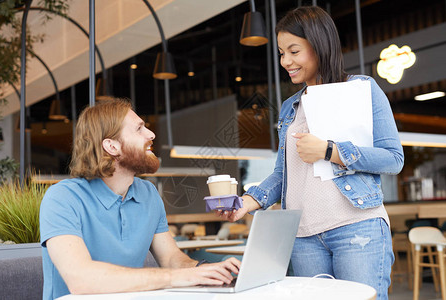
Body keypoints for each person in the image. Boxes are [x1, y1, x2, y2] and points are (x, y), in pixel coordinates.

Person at [218, 6, 403, 300]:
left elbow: (393, 158)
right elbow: (283, 173)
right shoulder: (291, 107)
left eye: (294, 51)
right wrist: (247, 202)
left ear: (319, 46)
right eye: (281, 53)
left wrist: (329, 150)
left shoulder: (361, 89)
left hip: (355, 228)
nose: (286, 61)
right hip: (303, 236)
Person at [40, 98, 241, 300]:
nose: (151, 134)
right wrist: (176, 277)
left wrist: (206, 270)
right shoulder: (62, 198)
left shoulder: (148, 193)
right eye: (139, 129)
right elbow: (82, 279)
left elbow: (171, 258)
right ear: (112, 146)